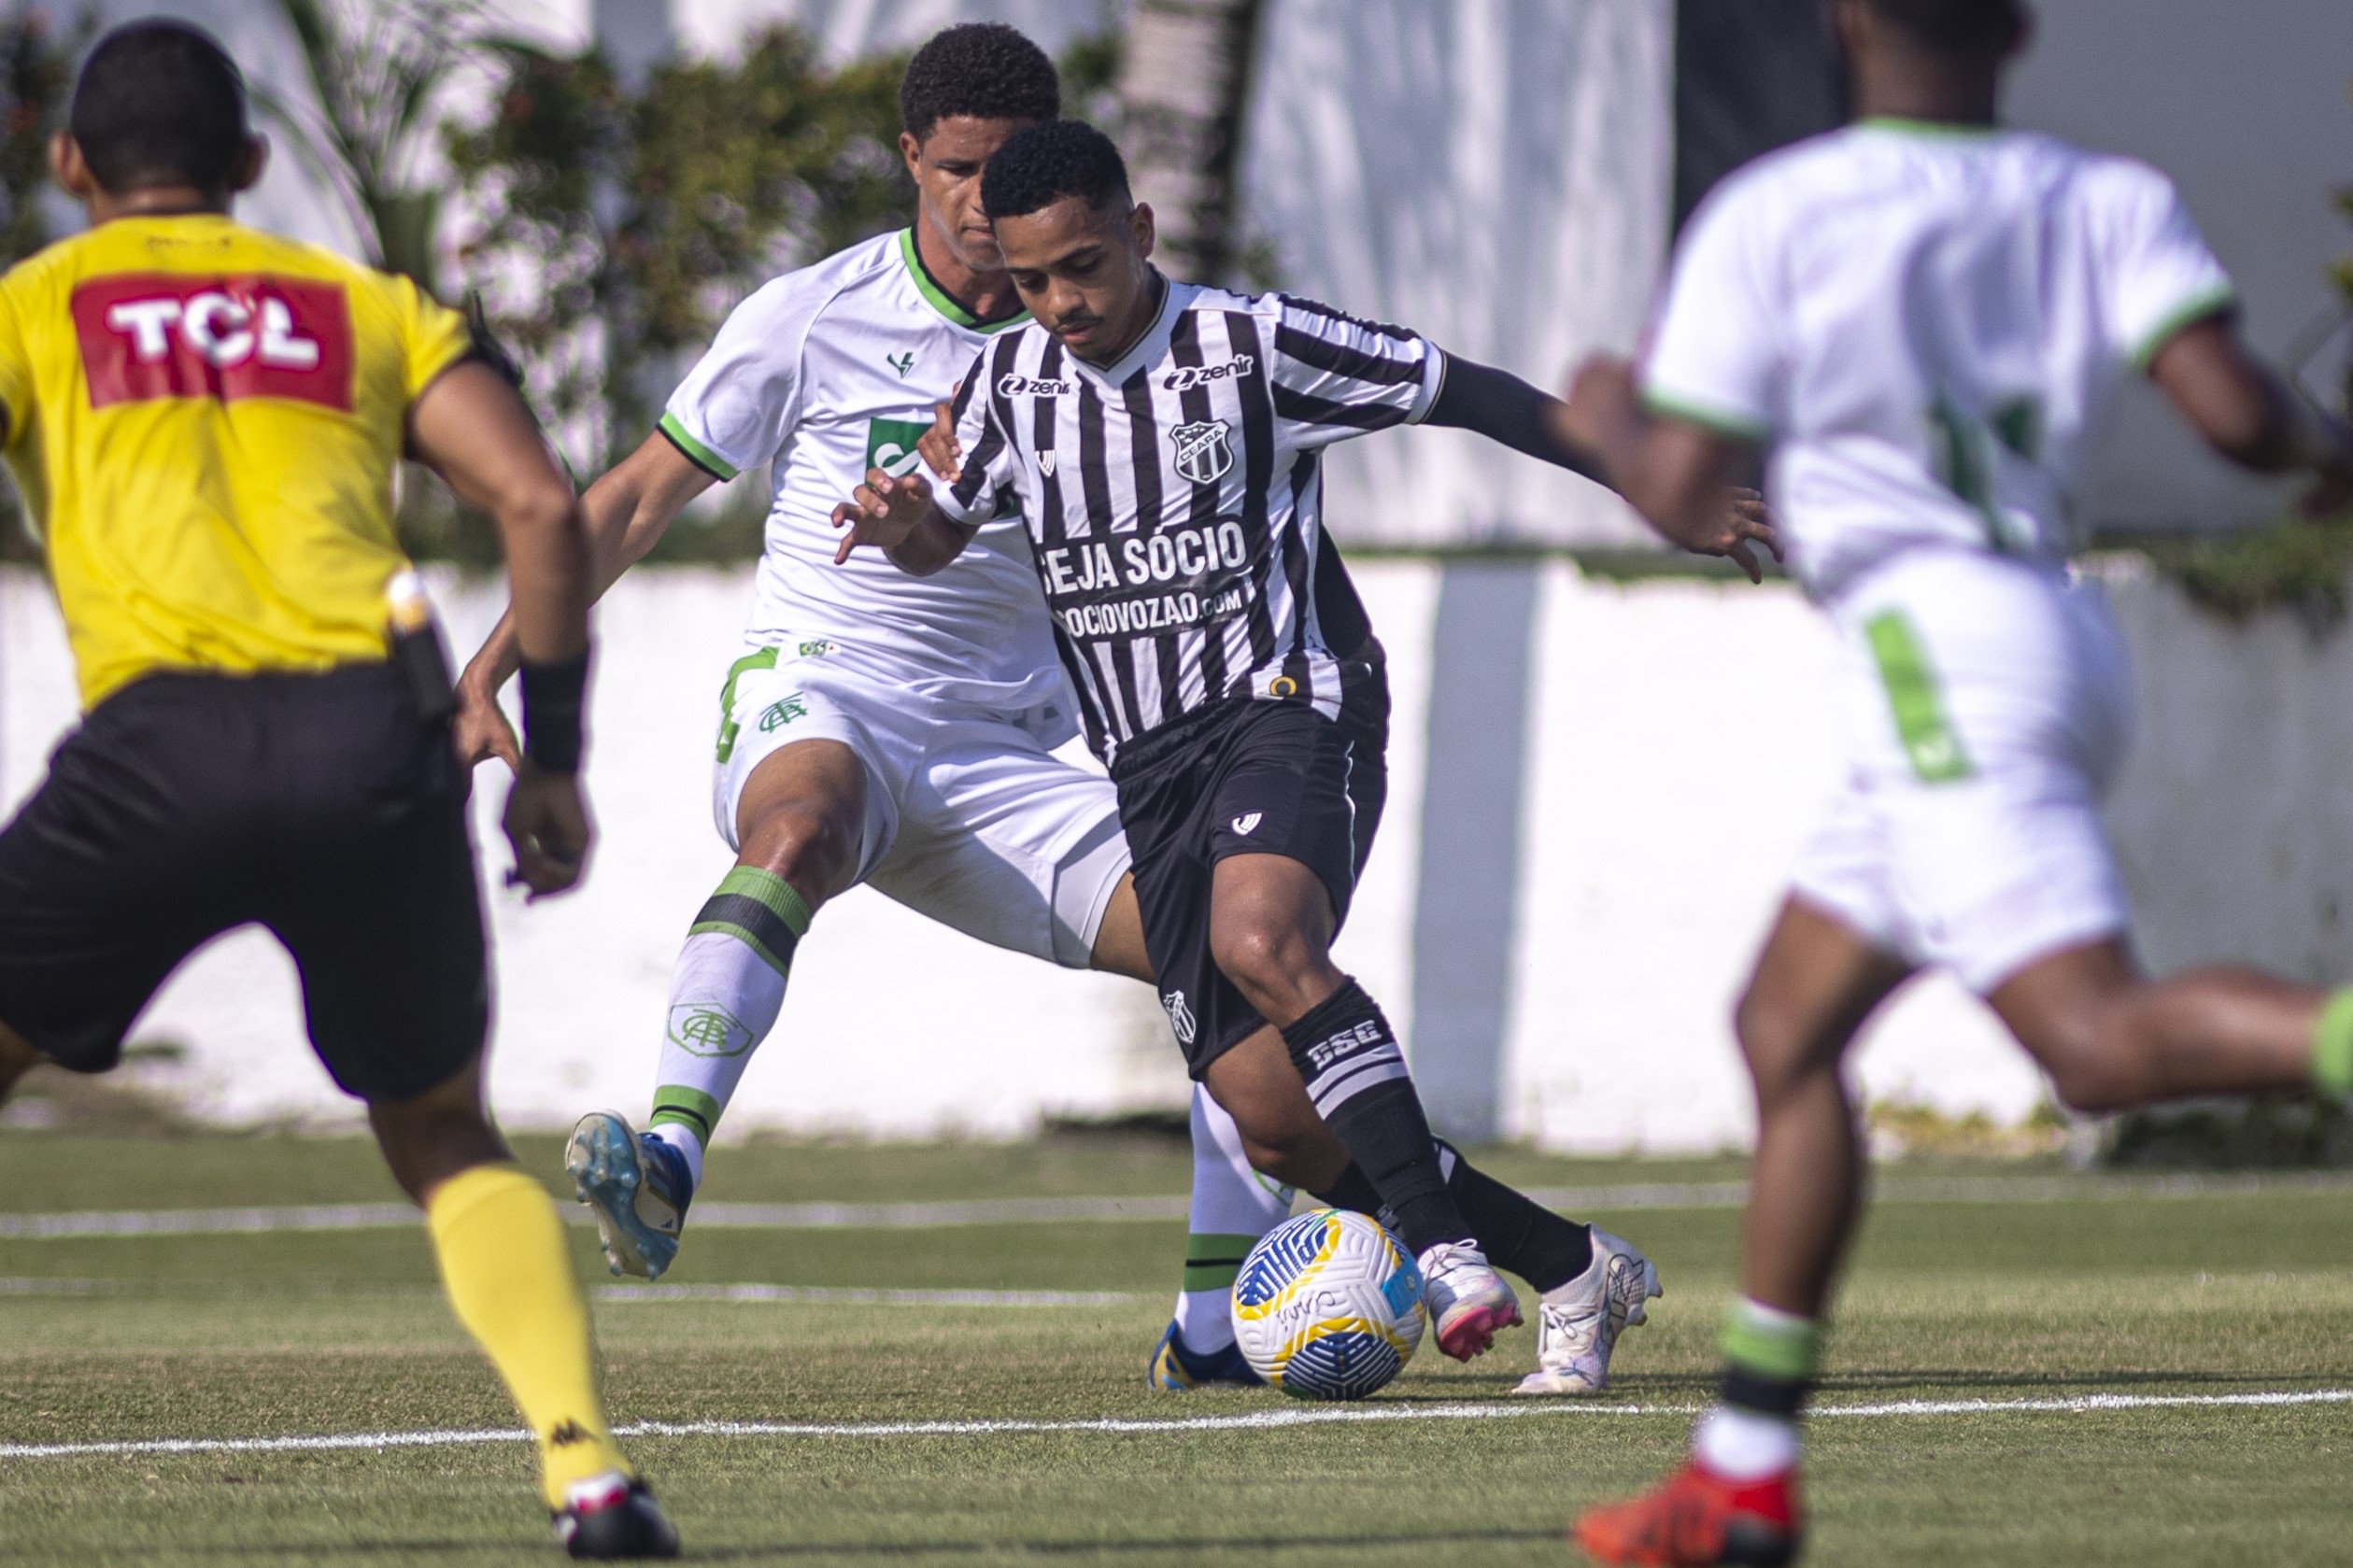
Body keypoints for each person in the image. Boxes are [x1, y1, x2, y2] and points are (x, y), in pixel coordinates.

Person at [456, 23, 1648, 1398]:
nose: (977, 202)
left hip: (1014, 762)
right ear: (913, 161)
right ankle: (668, 1152)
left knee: (1264, 1070)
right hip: (827, 691)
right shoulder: (811, 316)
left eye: (1003, 176)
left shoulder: (1099, 348)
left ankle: (1448, 1283)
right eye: (955, 171)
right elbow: (629, 501)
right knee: (804, 820)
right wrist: (495, 664)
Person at [1553, 0, 2353, 1560]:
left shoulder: (1777, 212)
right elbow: (2240, 412)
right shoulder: (2097, 195)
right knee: (1785, 1029)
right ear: (2021, 25)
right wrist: (2332, 450)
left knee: (2098, 1049)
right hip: (2044, 627)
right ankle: (1742, 1480)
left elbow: (1673, 488)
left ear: (1847, 22)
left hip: (1932, 655)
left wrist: (1600, 409)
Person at [833, 119, 1775, 1363]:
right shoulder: (1006, 387)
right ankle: (1571, 1267)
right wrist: (899, 520)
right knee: (1273, 1121)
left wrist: (1660, 485)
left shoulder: (1256, 345)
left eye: (1084, 267)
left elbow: (1471, 392)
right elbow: (938, 532)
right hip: (1148, 772)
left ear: (1139, 233)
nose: (1061, 300)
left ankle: (1439, 1257)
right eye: (1030, 279)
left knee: (1264, 938)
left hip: (1290, 702)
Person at [0, 21, 675, 1560]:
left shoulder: (33, 305)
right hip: (376, 744)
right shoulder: (363, 306)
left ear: (67, 170)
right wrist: (554, 761)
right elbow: (533, 501)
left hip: (154, 753)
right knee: (441, 1135)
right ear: (248, 169)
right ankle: (585, 1473)